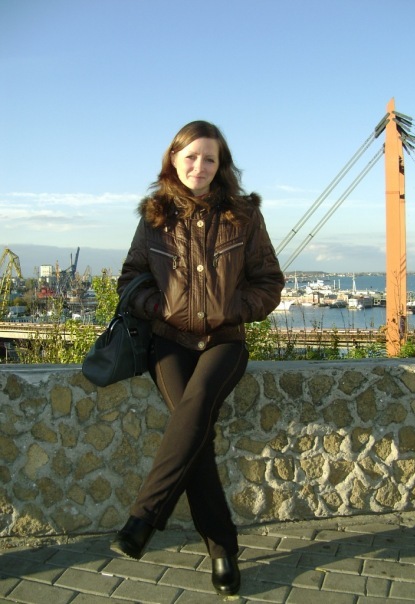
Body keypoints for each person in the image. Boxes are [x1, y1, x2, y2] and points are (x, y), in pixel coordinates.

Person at [111, 120, 284, 596]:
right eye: (190, 156)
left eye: (210, 158)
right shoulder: (155, 217)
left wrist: (234, 309)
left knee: (198, 401)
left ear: (220, 164)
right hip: (169, 341)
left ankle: (144, 517)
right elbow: (130, 279)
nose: (199, 166)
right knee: (196, 435)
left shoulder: (244, 216)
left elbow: (269, 282)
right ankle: (223, 550)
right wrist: (158, 308)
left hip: (225, 341)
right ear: (174, 159)